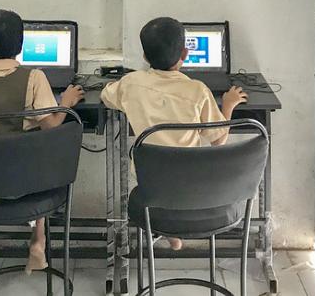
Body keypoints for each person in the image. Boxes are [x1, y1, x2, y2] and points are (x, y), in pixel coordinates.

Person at [0, 9, 84, 283]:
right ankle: (38, 241)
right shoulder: (34, 77)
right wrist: (66, 102)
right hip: (29, 186)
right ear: (22, 45)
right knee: (39, 157)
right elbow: (51, 124)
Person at [101, 17, 248, 250]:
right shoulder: (197, 90)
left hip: (151, 184)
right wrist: (228, 105)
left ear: (145, 57)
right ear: (185, 54)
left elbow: (106, 96)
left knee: (163, 175)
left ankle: (168, 231)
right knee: (180, 173)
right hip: (192, 183)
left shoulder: (131, 84)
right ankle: (174, 230)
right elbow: (219, 139)